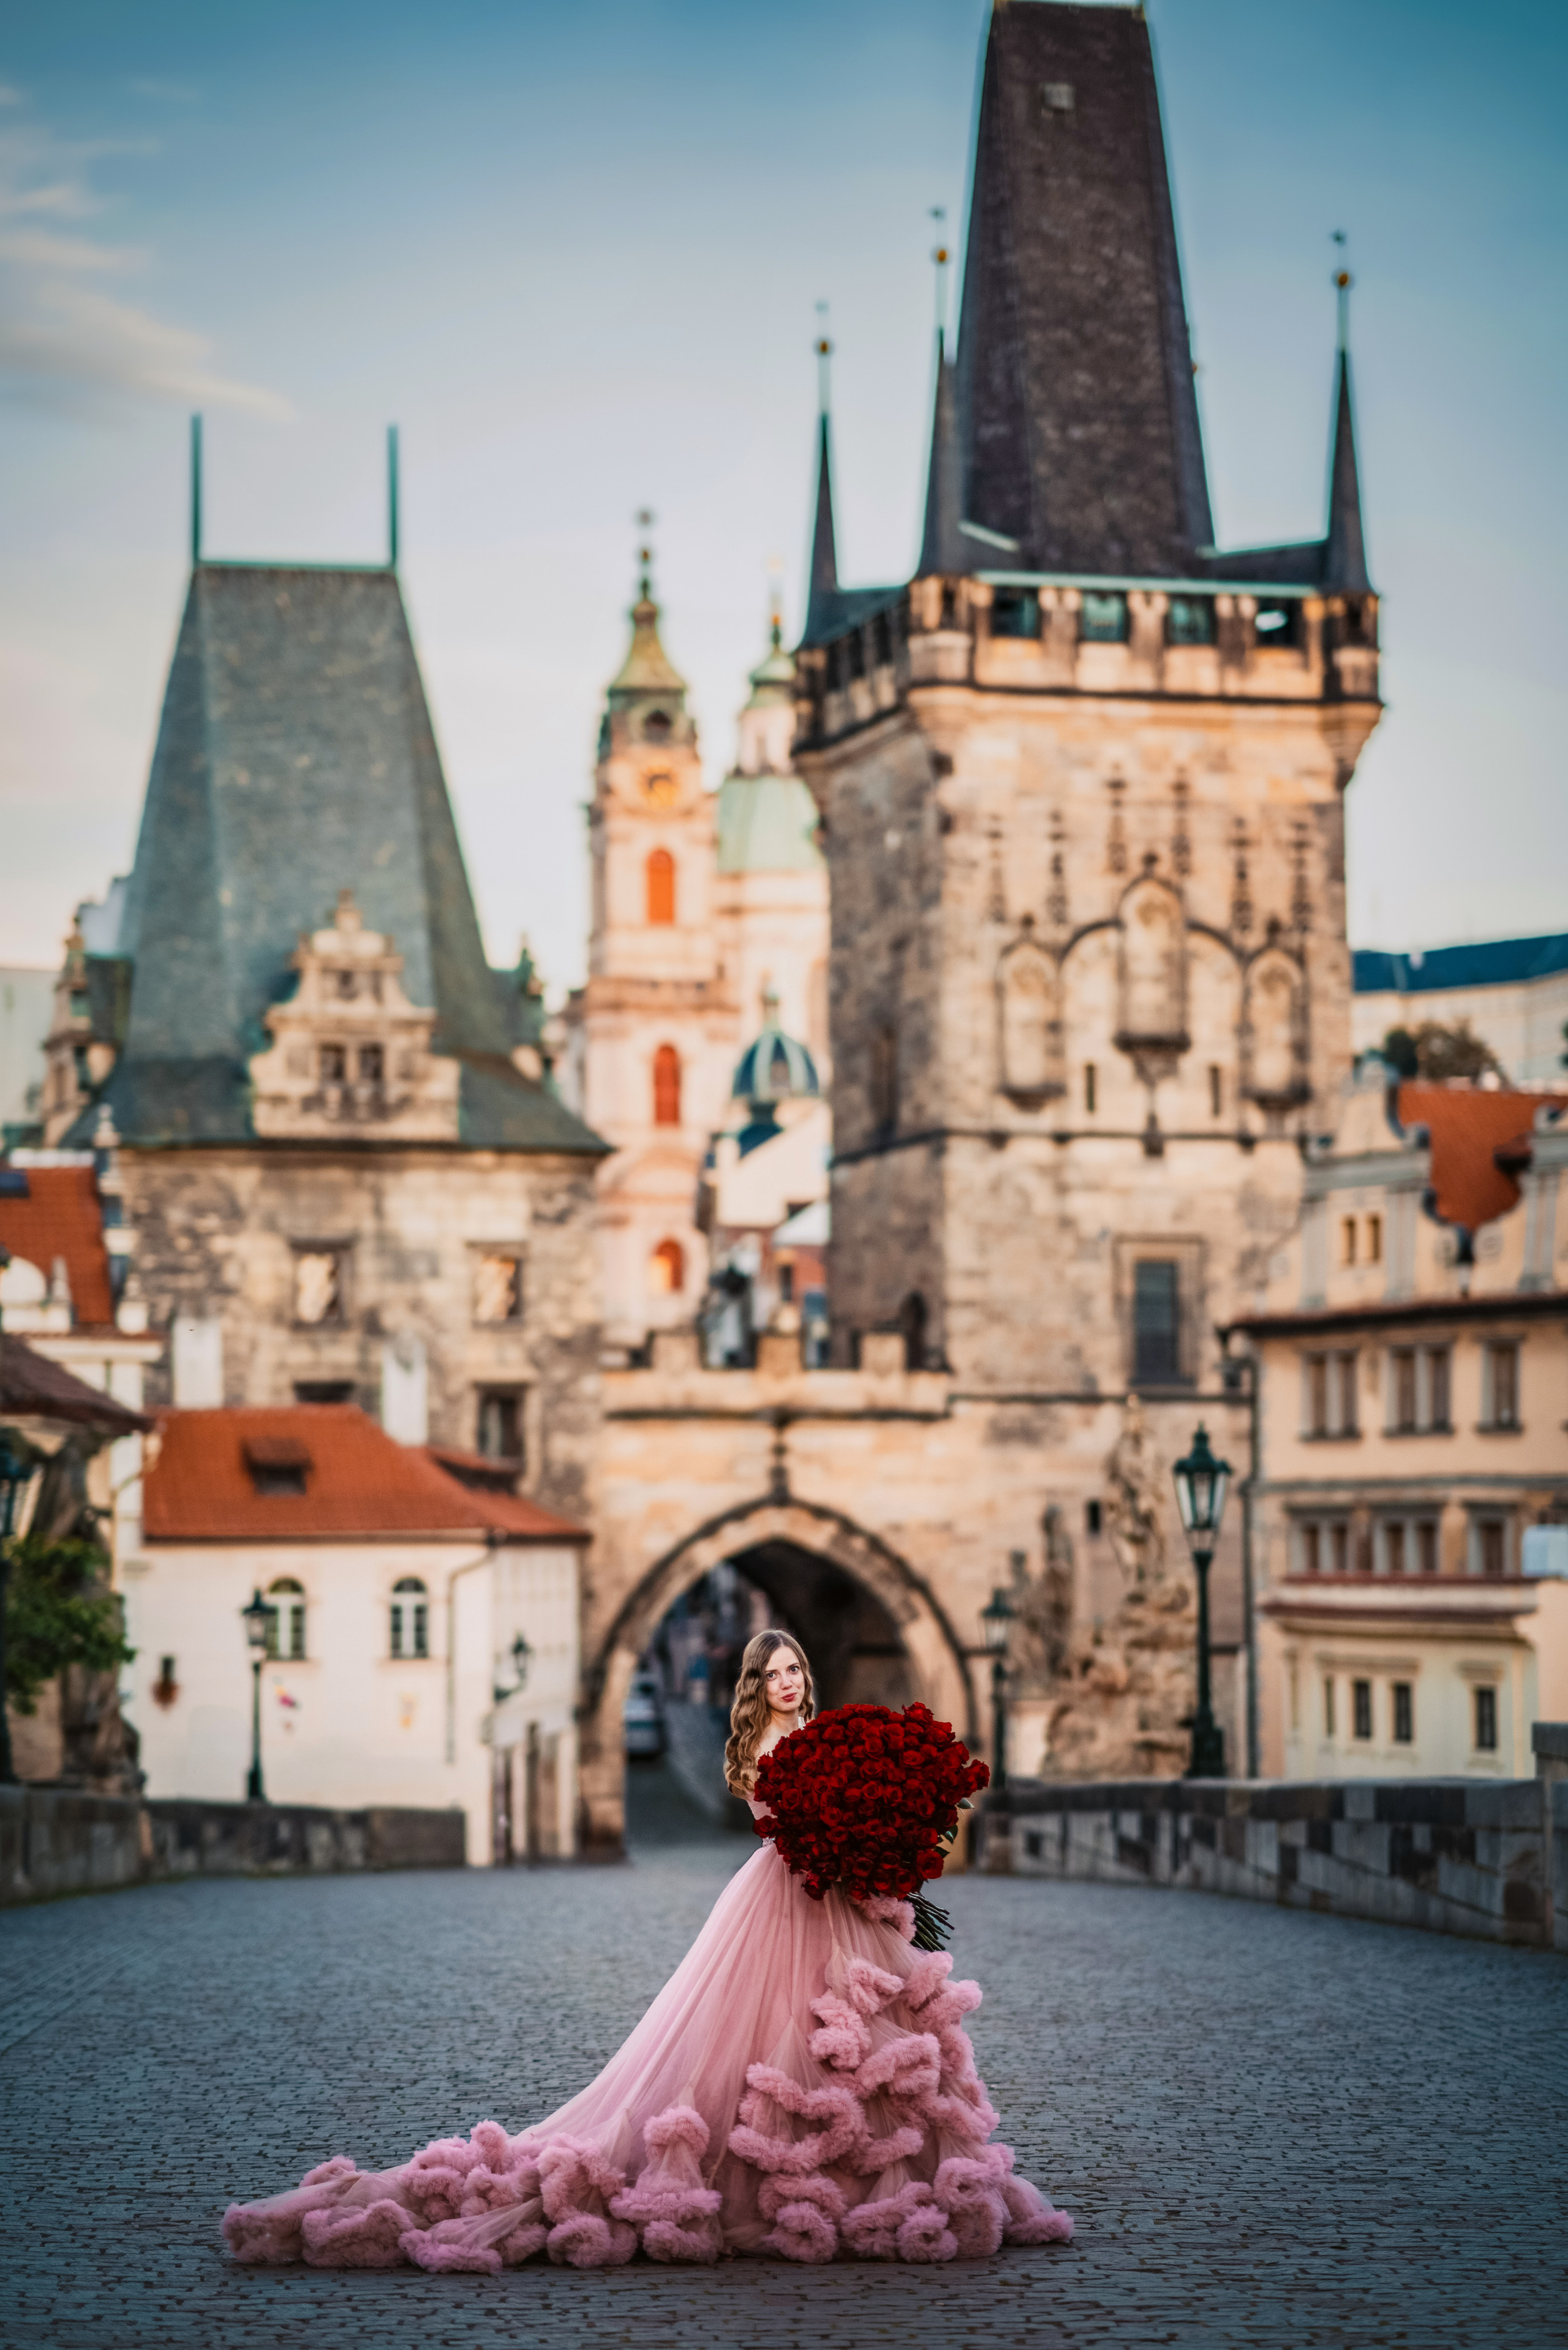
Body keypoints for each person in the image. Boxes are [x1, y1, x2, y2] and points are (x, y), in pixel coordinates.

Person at [222, 1630, 1073, 2271]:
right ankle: (788, 2175)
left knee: (866, 2036)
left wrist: (886, 1832)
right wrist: (843, 1835)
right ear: (755, 1686)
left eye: (795, 1671)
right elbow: (782, 1824)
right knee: (774, 2035)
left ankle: (878, 2169)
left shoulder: (825, 1732)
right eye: (773, 1674)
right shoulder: (770, 1747)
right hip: (793, 1895)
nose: (786, 1683)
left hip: (847, 1897)